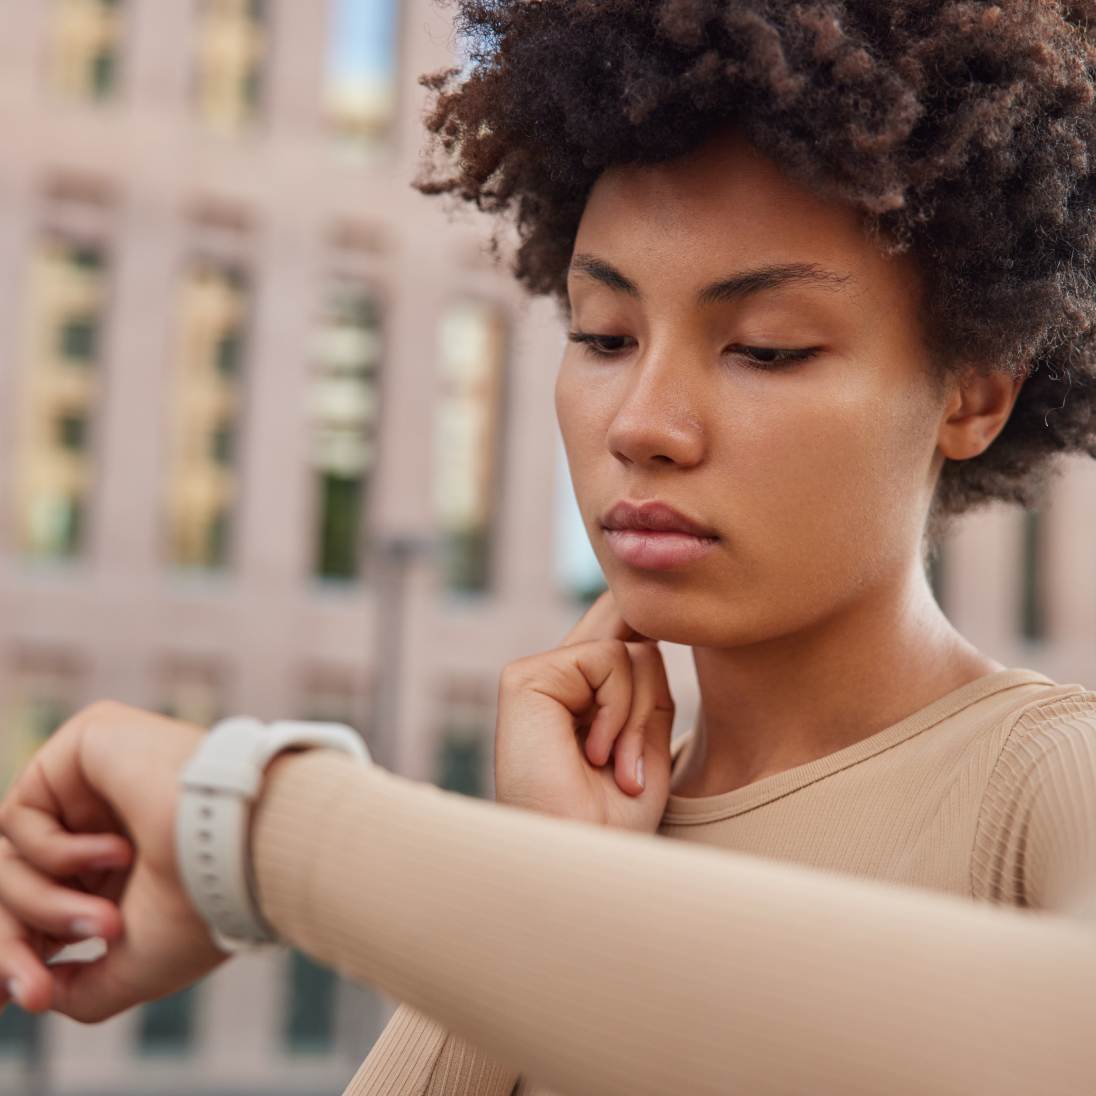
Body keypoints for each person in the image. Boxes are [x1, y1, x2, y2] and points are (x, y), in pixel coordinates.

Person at [2, 1, 1096, 1094]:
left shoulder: (1049, 780)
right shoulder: (593, 822)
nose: (641, 423)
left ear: (975, 392)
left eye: (765, 350)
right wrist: (562, 867)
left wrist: (260, 826)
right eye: (604, 337)